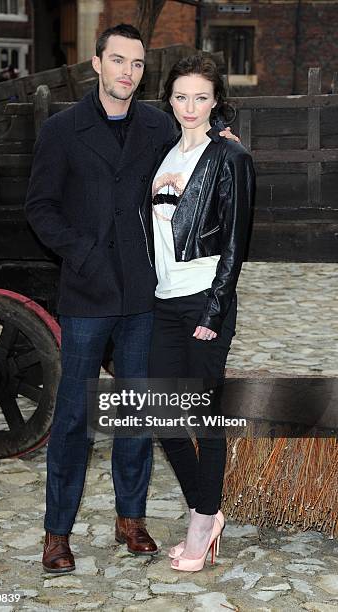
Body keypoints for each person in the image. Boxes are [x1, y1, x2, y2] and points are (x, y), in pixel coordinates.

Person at [25, 24, 238, 574]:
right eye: (117, 61)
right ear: (95, 64)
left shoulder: (155, 123)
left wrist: (229, 139)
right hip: (87, 294)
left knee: (138, 413)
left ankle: (131, 519)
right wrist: (84, 253)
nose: (127, 72)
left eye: (137, 64)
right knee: (74, 416)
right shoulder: (62, 129)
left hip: (145, 296)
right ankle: (57, 532)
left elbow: (201, 130)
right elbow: (41, 208)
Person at [147, 55, 255, 572]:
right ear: (169, 100)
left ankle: (202, 519)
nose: (191, 107)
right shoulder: (164, 153)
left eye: (201, 97)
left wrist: (215, 308)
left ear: (216, 102)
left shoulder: (229, 157)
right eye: (181, 97)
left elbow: (236, 242)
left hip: (203, 299)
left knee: (204, 416)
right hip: (163, 300)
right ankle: (204, 509)